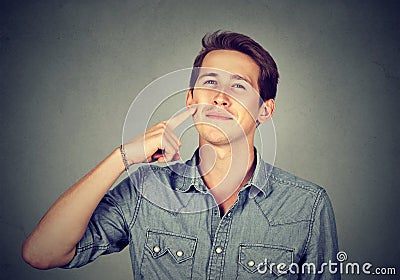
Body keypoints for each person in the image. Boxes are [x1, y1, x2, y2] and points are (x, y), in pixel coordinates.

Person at [22, 31, 340, 279]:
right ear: (190, 100)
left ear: (265, 110)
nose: (220, 96)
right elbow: (42, 254)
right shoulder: (147, 190)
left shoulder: (307, 206)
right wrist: (122, 157)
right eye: (211, 82)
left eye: (239, 87)